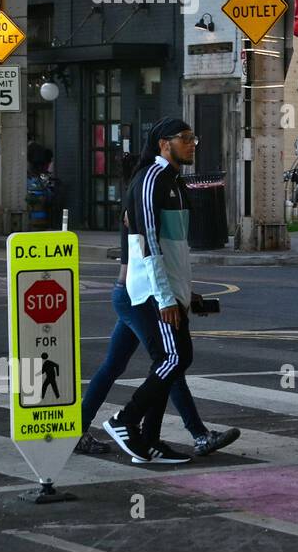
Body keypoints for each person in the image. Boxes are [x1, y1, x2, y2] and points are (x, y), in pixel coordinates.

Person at [77, 151, 240, 458]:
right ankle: (196, 433)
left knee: (120, 365)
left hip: (128, 293)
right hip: (136, 295)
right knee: (169, 361)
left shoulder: (134, 202)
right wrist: (168, 296)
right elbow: (148, 259)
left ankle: (77, 430)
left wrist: (183, 293)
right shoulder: (140, 205)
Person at [103, 118, 203, 464]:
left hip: (170, 291)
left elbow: (176, 249)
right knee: (175, 358)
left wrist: (187, 294)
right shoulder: (151, 179)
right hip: (149, 292)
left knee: (169, 361)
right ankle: (124, 420)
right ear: (164, 143)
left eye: (193, 139)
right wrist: (165, 298)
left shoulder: (175, 182)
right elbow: (147, 245)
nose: (192, 144)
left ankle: (149, 440)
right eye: (185, 139)